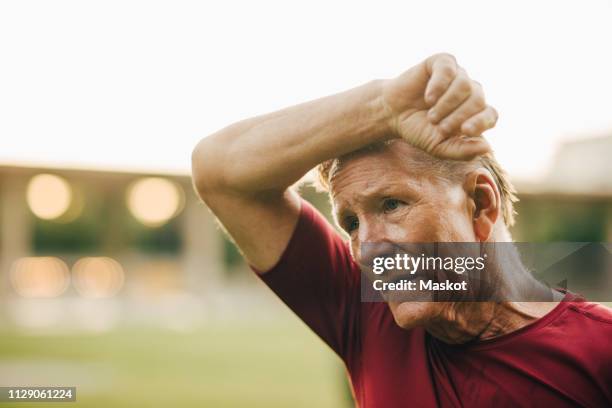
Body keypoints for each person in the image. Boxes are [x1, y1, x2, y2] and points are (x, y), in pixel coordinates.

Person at [191, 54, 612, 407]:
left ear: (481, 205)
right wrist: (383, 107)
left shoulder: (599, 350)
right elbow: (220, 172)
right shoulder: (364, 312)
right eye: (351, 223)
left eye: (392, 205)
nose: (368, 248)